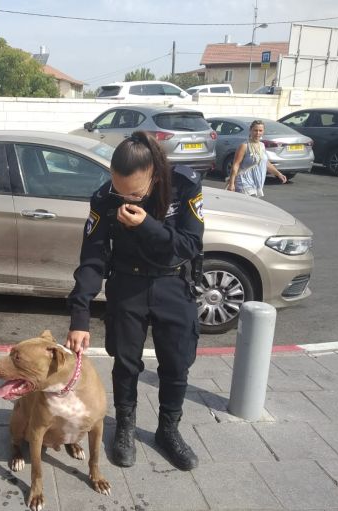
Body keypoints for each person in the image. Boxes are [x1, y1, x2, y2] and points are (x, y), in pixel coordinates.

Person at [66, 131, 204, 471]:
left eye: (135, 193)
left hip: (173, 285)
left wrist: (146, 226)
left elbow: (189, 245)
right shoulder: (103, 198)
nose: (126, 198)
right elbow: (93, 259)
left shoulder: (184, 186)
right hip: (128, 286)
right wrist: (79, 317)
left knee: (176, 364)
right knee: (126, 364)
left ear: (154, 175)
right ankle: (125, 426)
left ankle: (168, 429)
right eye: (119, 189)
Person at [225, 119, 287, 197]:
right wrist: (231, 183)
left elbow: (265, 163)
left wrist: (278, 174)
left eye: (260, 131)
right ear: (250, 130)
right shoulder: (244, 146)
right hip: (244, 181)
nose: (258, 133)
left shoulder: (262, 145)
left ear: (263, 131)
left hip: (256, 182)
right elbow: (236, 165)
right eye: (255, 130)